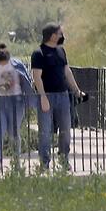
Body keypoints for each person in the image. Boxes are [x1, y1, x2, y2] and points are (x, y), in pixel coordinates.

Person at [31, 23, 87, 171]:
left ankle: (64, 159)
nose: (62, 36)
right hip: (47, 96)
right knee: (45, 131)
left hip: (63, 96)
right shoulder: (39, 53)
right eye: (60, 33)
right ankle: (44, 163)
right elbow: (37, 77)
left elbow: (67, 72)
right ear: (52, 35)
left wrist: (76, 91)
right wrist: (42, 96)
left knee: (65, 131)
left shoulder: (61, 51)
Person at [0, 43, 33, 172]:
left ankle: (16, 161)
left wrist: (29, 101)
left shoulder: (17, 65)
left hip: (15, 102)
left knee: (14, 132)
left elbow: (27, 82)